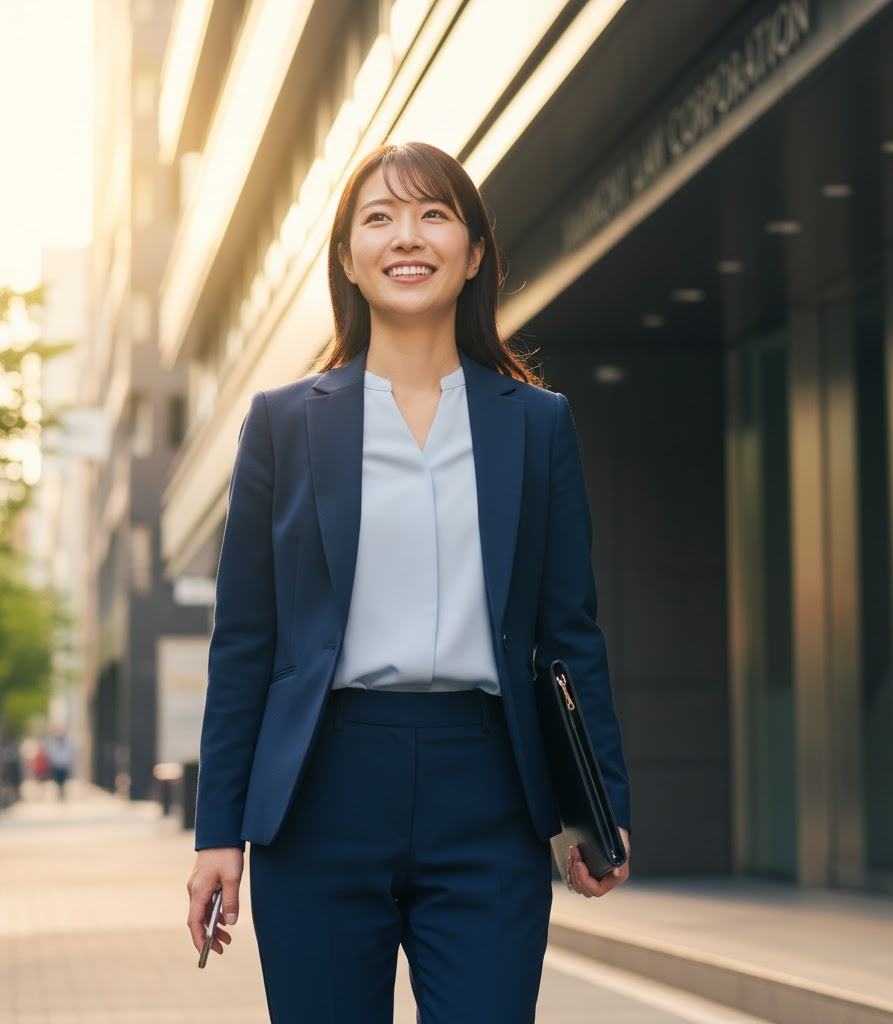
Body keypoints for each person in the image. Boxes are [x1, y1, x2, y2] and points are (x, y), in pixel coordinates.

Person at [186, 141, 631, 1023]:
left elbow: (570, 631)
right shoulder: (282, 425)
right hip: (321, 790)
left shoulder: (536, 425)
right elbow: (245, 643)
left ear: (472, 257)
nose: (407, 237)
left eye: (434, 214)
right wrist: (215, 836)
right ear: (348, 260)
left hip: (490, 789)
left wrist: (599, 806)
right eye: (379, 219)